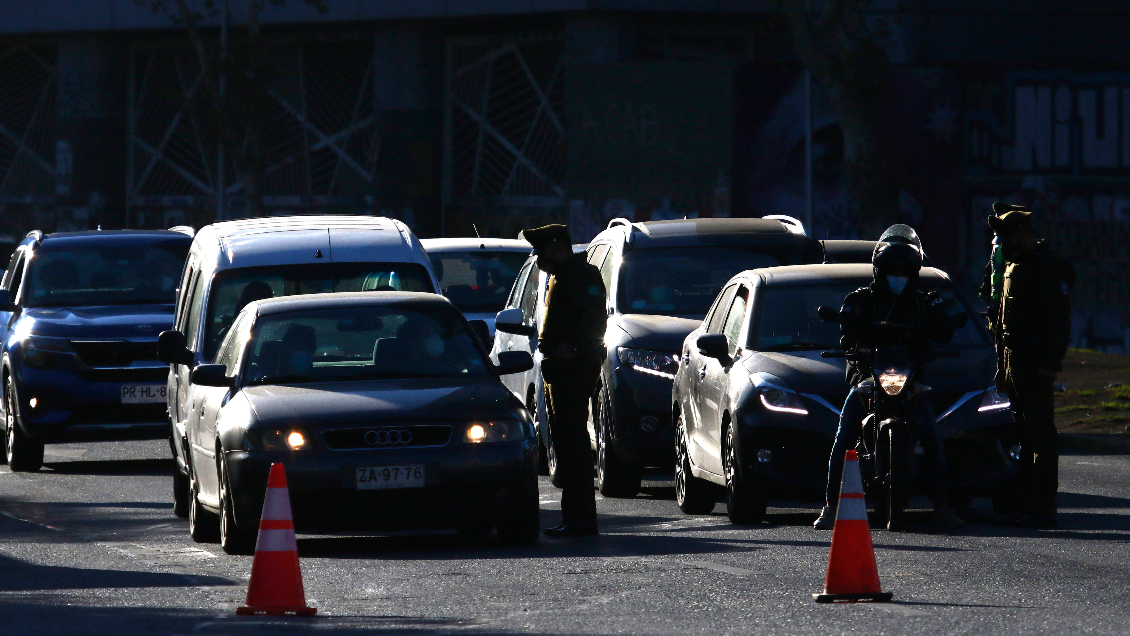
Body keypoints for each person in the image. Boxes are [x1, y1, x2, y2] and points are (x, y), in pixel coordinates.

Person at [814, 225, 965, 531]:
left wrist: (943, 327)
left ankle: (942, 506)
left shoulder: (927, 301)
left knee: (933, 438)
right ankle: (830, 507)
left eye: (904, 271)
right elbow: (846, 334)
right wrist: (858, 335)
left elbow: (945, 328)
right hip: (868, 378)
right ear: (878, 270)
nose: (898, 276)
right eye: (891, 270)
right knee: (844, 437)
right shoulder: (860, 299)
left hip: (911, 382)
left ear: (914, 272)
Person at [982, 205, 1075, 529]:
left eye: (1009, 238)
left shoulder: (1047, 269)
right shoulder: (1010, 267)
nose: (1005, 245)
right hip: (1013, 362)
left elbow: (1057, 323)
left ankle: (1043, 507)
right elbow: (997, 313)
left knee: (1041, 439)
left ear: (1024, 235)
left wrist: (1050, 365)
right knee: (1022, 438)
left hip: (1035, 364)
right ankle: (1023, 505)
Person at [520, 224, 607, 537]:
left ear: (557, 247)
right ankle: (574, 517)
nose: (538, 256)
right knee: (566, 444)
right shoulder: (560, 276)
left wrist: (575, 349)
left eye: (542, 250)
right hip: (559, 372)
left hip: (573, 372)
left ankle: (582, 519)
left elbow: (596, 321)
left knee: (574, 446)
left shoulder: (582, 275)